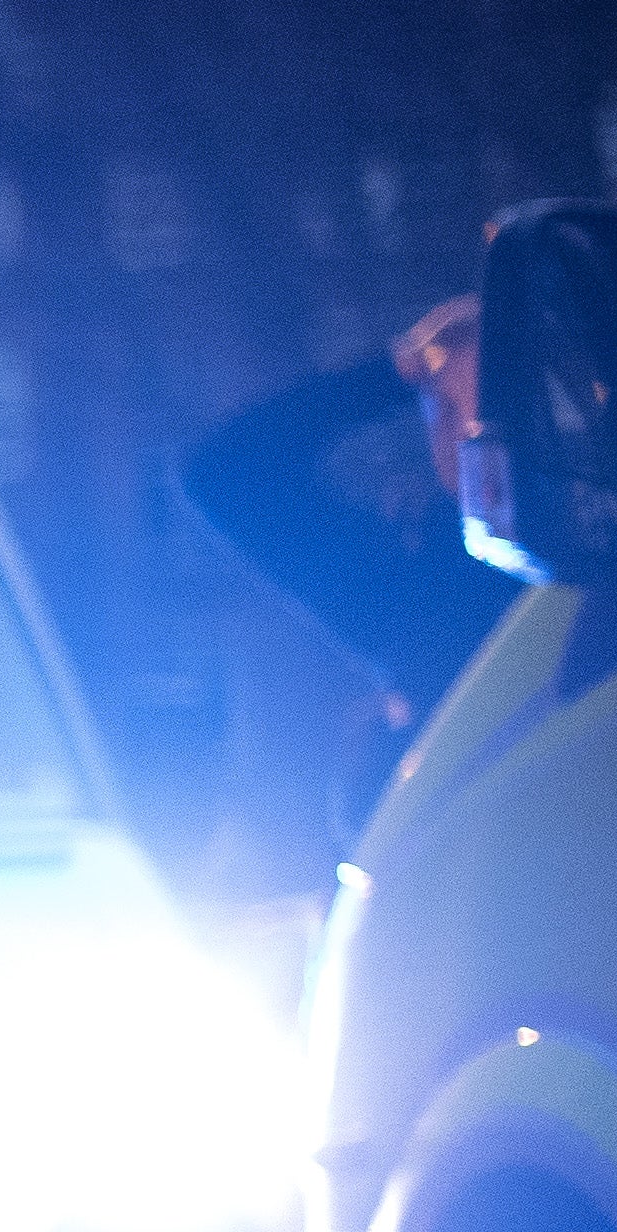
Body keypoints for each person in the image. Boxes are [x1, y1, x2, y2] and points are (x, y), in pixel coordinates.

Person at [178, 295, 510, 847]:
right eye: (439, 409)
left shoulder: (603, 541)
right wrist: (395, 370)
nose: (462, 432)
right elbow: (224, 472)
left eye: (482, 404)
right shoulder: (407, 577)